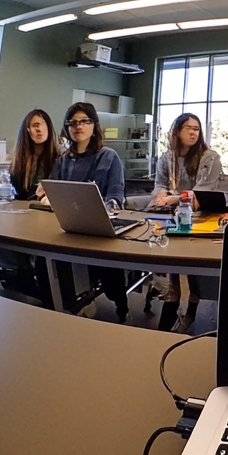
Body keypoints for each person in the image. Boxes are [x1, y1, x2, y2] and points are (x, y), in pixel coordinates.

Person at [46, 103, 130, 322]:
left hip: (99, 230)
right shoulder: (63, 161)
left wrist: (102, 207)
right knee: (48, 260)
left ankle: (122, 308)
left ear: (94, 125)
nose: (78, 126)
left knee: (109, 271)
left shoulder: (108, 157)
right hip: (68, 226)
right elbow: (54, 192)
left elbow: (115, 198)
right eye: (72, 122)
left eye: (84, 121)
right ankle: (67, 305)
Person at [148, 113, 223, 333]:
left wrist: (172, 197)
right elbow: (159, 185)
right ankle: (172, 304)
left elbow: (202, 193)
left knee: (192, 269)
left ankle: (190, 311)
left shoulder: (210, 157)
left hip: (203, 220)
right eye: (188, 128)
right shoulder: (167, 158)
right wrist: (161, 195)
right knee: (170, 264)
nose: (193, 132)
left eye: (197, 129)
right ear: (177, 131)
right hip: (171, 218)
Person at [10, 109, 60, 200]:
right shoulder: (19, 161)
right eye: (35, 125)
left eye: (43, 124)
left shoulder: (59, 159)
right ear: (27, 130)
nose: (39, 130)